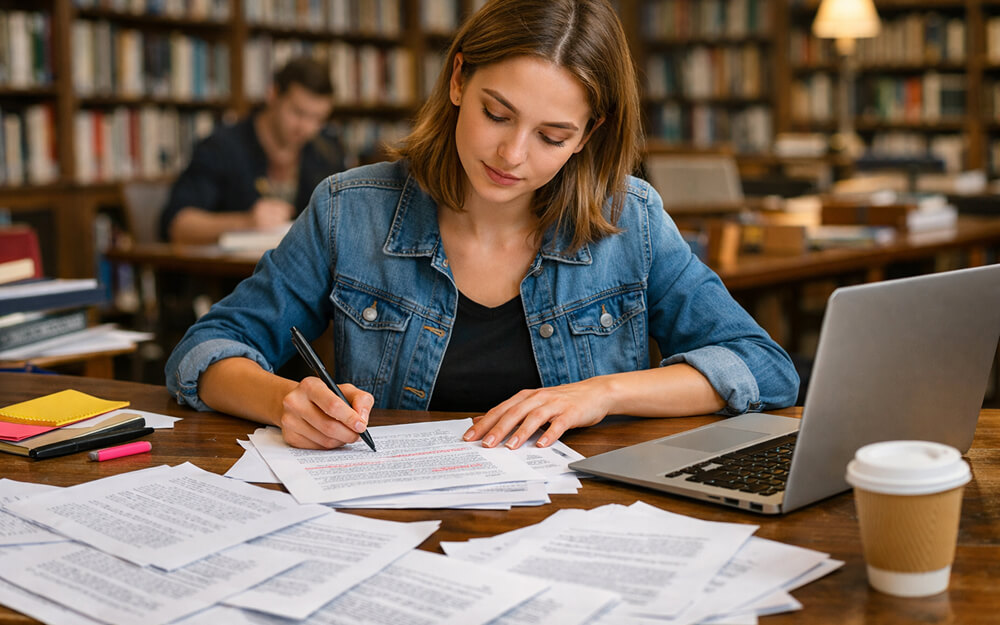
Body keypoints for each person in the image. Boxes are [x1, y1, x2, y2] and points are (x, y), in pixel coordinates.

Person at [165, 0, 799, 451]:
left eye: (553, 136)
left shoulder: (627, 219)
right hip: (393, 521)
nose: (513, 155)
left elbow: (762, 367)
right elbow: (204, 352)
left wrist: (603, 393)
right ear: (460, 78)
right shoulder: (347, 210)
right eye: (498, 114)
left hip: (579, 528)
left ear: (589, 135)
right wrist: (285, 403)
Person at [159, 56, 345, 244]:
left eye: (318, 119)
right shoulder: (221, 147)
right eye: (298, 113)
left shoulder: (326, 154)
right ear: (272, 95)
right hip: (230, 272)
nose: (307, 128)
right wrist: (245, 223)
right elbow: (178, 225)